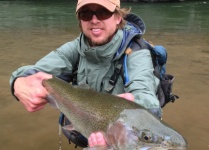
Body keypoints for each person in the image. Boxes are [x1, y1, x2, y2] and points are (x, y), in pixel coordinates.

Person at [10, 0, 162, 148]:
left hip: (124, 139)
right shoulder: (76, 48)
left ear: (118, 18)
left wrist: (125, 115)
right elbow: (33, 73)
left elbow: (145, 95)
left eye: (102, 12)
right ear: (80, 20)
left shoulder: (137, 52)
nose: (94, 20)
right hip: (86, 133)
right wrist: (18, 83)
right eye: (86, 14)